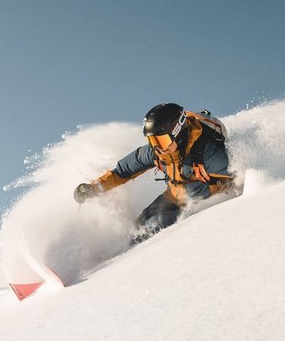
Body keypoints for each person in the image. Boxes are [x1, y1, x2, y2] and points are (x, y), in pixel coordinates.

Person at [73, 103, 234, 243]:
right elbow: (122, 171)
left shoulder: (210, 155)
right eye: (152, 141)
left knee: (156, 225)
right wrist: (93, 188)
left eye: (162, 141)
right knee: (138, 226)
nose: (157, 147)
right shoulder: (156, 152)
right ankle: (111, 259)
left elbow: (244, 171)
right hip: (173, 197)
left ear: (178, 132)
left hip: (199, 204)